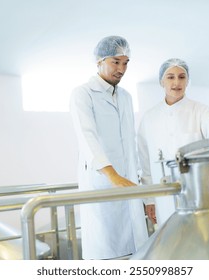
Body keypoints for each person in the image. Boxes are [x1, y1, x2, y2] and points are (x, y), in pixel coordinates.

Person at [137, 58, 209, 227]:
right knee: (171, 243)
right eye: (170, 77)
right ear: (161, 81)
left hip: (198, 193)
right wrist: (149, 199)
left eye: (182, 77)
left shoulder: (200, 110)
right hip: (163, 198)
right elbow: (145, 162)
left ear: (187, 81)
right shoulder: (149, 118)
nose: (176, 82)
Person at [69, 36, 148, 260]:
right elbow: (87, 138)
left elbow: (130, 144)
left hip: (128, 184)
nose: (121, 69)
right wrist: (113, 176)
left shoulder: (126, 97)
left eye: (126, 63)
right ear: (99, 61)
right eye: (116, 61)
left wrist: (141, 190)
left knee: (136, 255)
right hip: (102, 184)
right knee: (107, 255)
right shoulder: (82, 94)